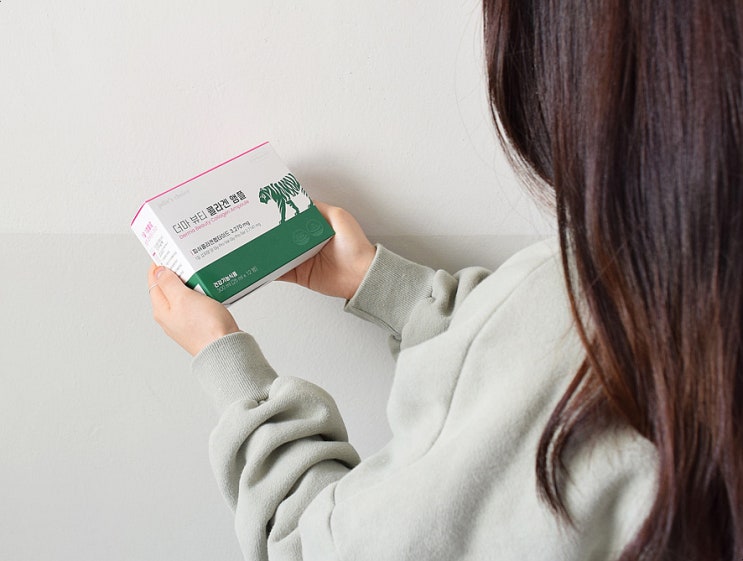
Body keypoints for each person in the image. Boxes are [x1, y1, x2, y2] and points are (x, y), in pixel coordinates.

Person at [146, 1, 742, 560]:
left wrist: (230, 368)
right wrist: (387, 287)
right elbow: (525, 353)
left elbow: (320, 547)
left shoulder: (580, 337)